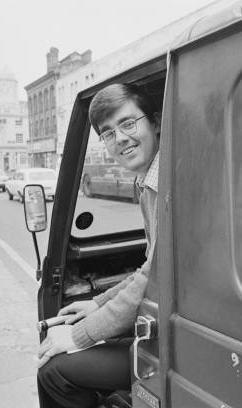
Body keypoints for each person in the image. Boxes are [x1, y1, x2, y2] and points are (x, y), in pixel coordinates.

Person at [37, 83, 160, 408]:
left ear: (156, 122)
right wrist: (98, 304)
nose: (120, 138)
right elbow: (149, 268)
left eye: (128, 123)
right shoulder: (147, 181)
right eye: (108, 133)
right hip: (162, 322)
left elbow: (153, 277)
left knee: (54, 371)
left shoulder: (167, 184)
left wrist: (79, 336)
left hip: (177, 344)